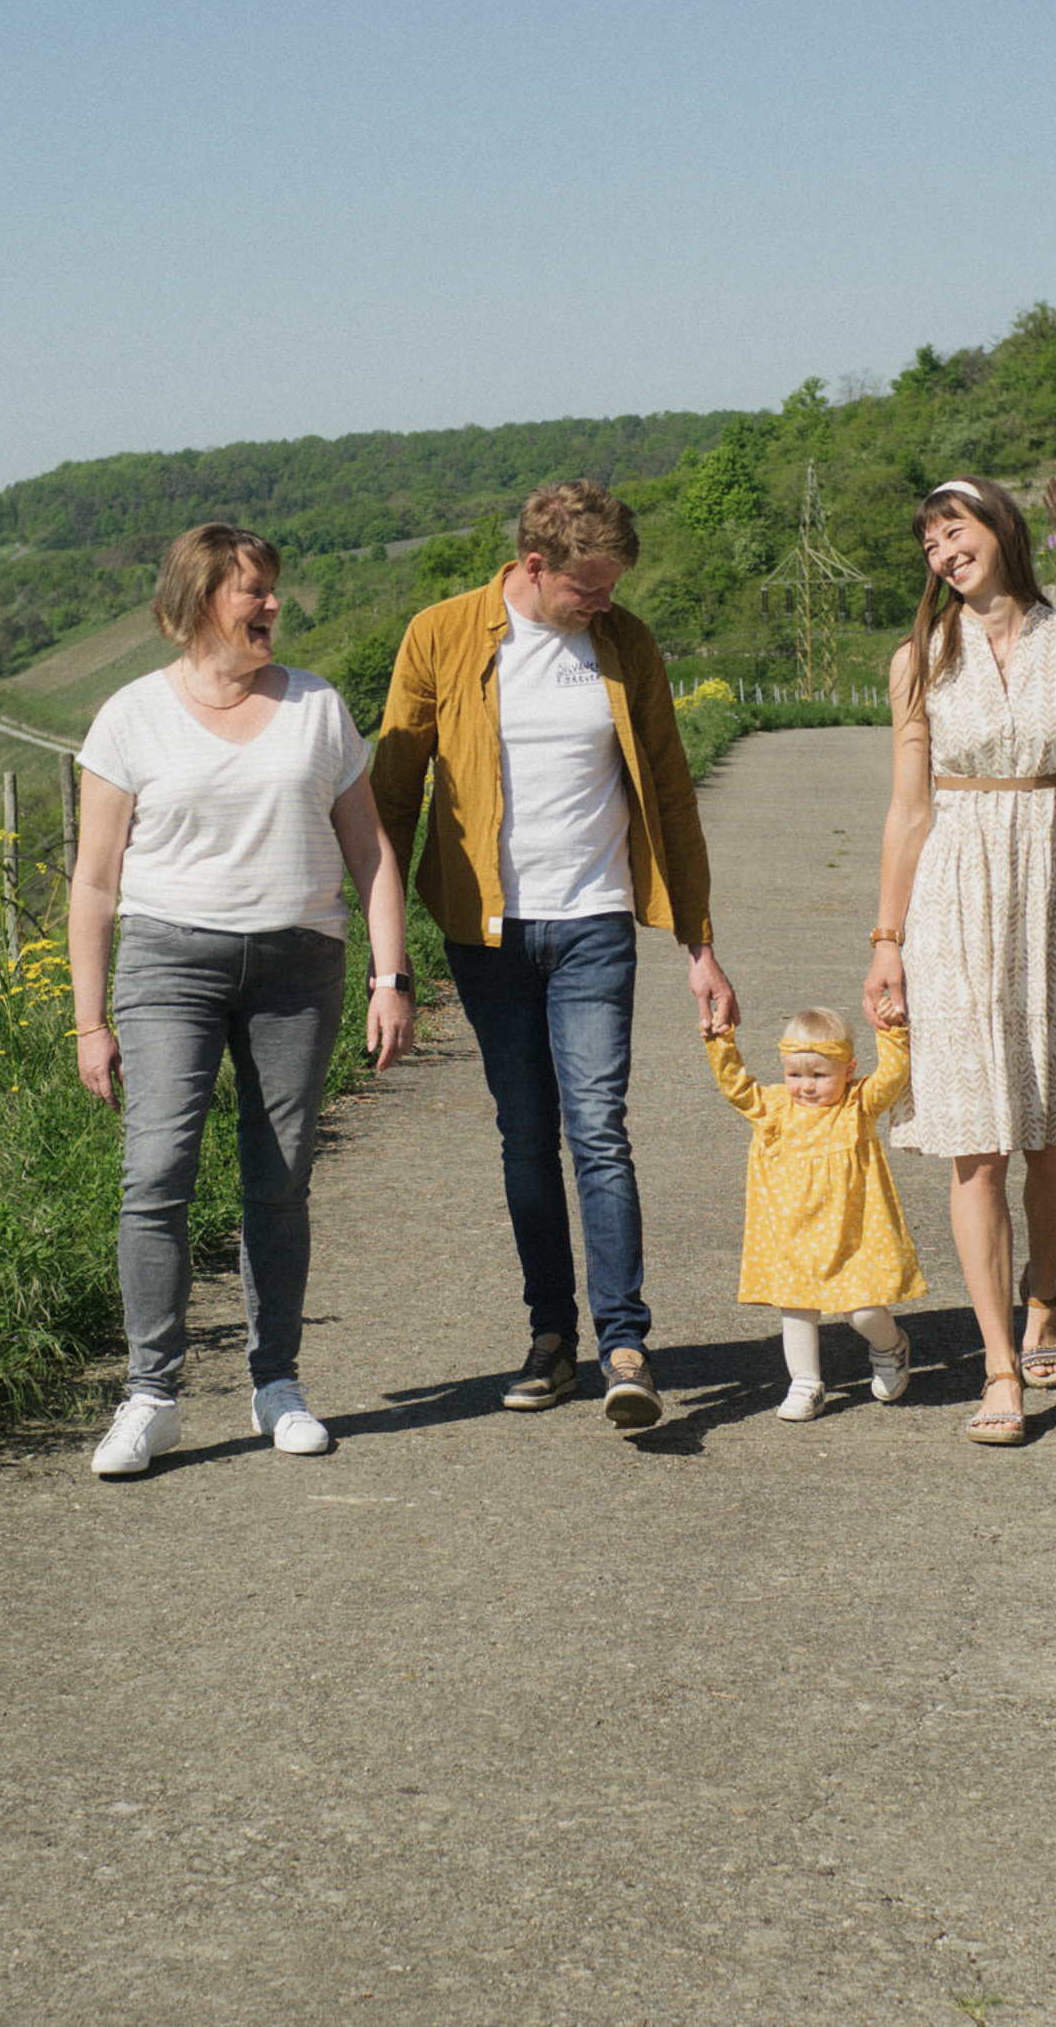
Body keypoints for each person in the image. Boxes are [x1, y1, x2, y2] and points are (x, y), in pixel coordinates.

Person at [371, 479, 737, 1429]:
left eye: (614, 586)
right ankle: (551, 1338)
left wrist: (699, 942)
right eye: (590, 587)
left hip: (594, 922)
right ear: (536, 566)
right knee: (527, 1139)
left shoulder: (626, 644)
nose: (604, 602)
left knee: (600, 1131)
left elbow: (670, 789)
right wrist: (383, 960)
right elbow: (389, 795)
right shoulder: (442, 635)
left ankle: (624, 1342)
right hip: (485, 933)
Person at [70, 522, 416, 1479]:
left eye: (272, 590)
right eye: (252, 592)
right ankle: (151, 1396)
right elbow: (95, 882)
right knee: (157, 1172)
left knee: (280, 1178)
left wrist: (392, 977)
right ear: (196, 601)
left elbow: (372, 852)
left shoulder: (316, 707)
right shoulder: (130, 718)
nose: (272, 607)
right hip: (168, 964)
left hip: (297, 970)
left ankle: (278, 1385)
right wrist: (89, 1018)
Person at [863, 474, 1056, 1448]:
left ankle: (1045, 1289)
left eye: (955, 529)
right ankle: (998, 1363)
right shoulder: (918, 661)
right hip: (956, 896)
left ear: (1001, 528)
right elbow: (908, 808)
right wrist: (886, 940)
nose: (943, 551)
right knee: (974, 1139)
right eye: (930, 542)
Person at [704, 1003, 926, 1421]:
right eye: (794, 1074)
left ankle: (889, 1345)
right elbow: (736, 1086)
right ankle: (806, 1382)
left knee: (863, 1311)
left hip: (853, 1234)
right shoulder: (772, 1109)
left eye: (819, 1075)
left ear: (848, 1069)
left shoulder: (857, 1105)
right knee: (797, 1308)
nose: (806, 1086)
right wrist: (720, 1041)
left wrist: (892, 1032)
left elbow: (893, 1076)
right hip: (793, 1235)